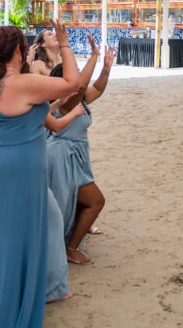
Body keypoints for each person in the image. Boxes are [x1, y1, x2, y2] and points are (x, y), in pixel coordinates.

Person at [0, 22, 81, 326]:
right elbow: (73, 83)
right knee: (21, 237)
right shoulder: (24, 83)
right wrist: (65, 44)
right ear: (20, 50)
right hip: (20, 165)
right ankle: (13, 311)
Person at [47, 45, 116, 265]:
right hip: (62, 156)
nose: (77, 78)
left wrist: (106, 68)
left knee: (75, 202)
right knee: (96, 200)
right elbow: (84, 84)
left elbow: (96, 88)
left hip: (75, 155)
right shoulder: (65, 100)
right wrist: (94, 57)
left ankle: (68, 242)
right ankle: (71, 248)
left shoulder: (79, 98)